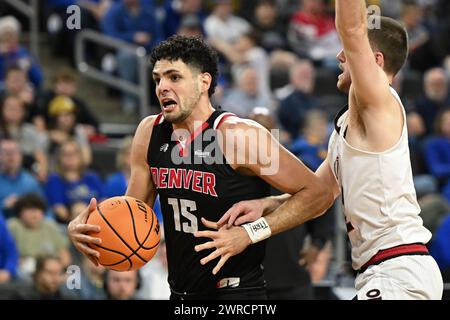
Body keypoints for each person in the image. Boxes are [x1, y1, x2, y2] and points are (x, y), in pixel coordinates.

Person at [194, 1, 444, 300]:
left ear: (374, 61)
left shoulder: (381, 101)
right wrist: (265, 207)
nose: (339, 56)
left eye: (348, 52)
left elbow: (351, 28)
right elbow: (319, 196)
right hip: (384, 270)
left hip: (397, 269)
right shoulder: (351, 124)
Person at [67, 35, 330, 300]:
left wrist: (250, 233)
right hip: (181, 292)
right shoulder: (149, 132)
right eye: (158, 79)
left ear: (203, 82)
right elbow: (135, 214)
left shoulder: (239, 136)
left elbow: (319, 194)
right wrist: (92, 229)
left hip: (237, 292)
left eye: (174, 77)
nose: (162, 87)